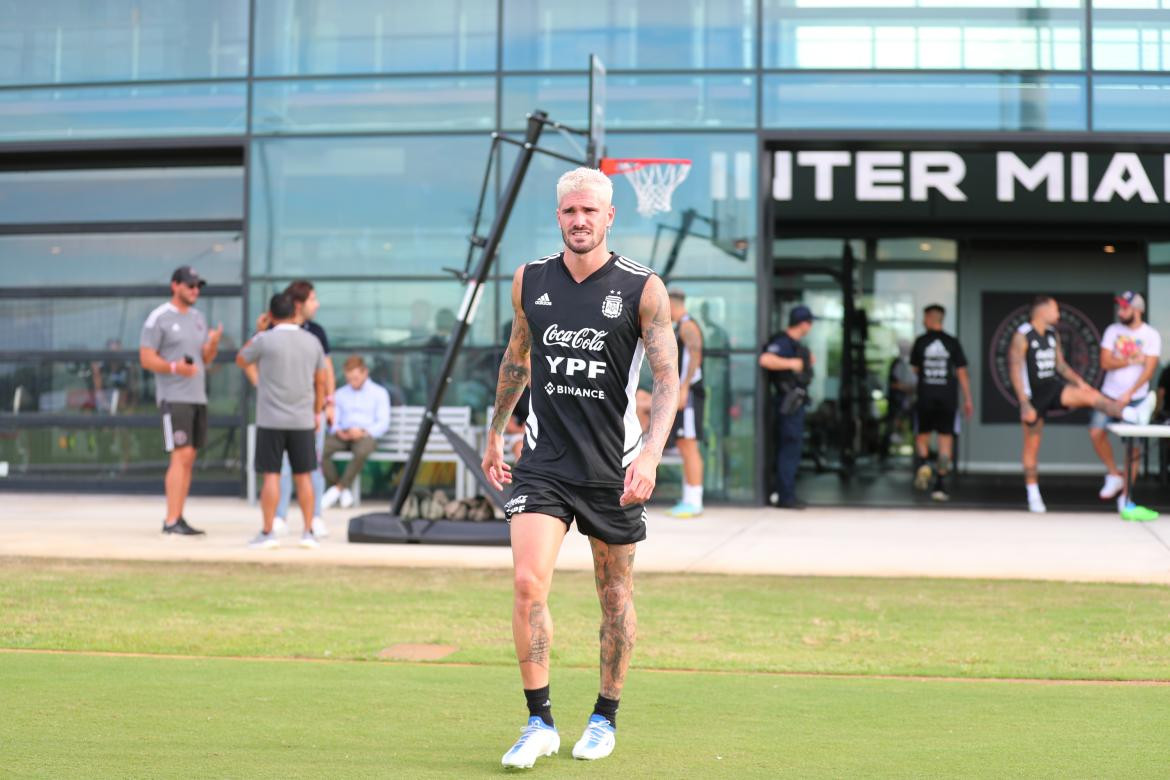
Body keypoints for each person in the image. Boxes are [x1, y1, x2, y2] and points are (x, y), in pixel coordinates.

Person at [482, 166, 678, 768]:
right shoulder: (530, 279)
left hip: (613, 470)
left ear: (610, 216)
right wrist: (495, 432)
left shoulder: (644, 288)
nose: (579, 220)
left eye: (590, 211)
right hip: (543, 463)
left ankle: (604, 716)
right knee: (525, 584)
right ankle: (538, 720)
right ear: (558, 215)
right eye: (570, 211)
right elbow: (518, 356)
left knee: (614, 595)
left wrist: (649, 452)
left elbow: (667, 381)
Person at [1009, 294, 1155, 513]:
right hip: (1032, 397)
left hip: (1052, 388)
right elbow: (1014, 369)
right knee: (1032, 446)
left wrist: (1081, 383)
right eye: (1055, 309)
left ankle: (1131, 414)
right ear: (1043, 310)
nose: (1058, 314)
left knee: (1089, 396)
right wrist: (1023, 403)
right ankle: (1033, 495)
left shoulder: (1051, 334)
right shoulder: (1022, 335)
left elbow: (1061, 365)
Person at [236, 293, 328, 549]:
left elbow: (241, 358)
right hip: (303, 419)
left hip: (271, 420)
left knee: (271, 476)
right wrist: (317, 411)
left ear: (271, 315)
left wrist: (259, 330)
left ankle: (268, 532)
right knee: (304, 476)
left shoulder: (265, 340)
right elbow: (320, 380)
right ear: (295, 312)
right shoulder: (312, 341)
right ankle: (308, 532)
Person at [138, 265, 223, 536]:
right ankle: (171, 520)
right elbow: (146, 358)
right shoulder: (159, 318)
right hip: (174, 397)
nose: (195, 290)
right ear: (175, 285)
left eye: (198, 286)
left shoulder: (198, 317)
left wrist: (211, 346)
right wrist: (175, 368)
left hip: (198, 396)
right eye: (190, 285)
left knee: (190, 457)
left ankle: (179, 516)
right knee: (181, 454)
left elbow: (205, 360)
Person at [265, 281, 335, 538]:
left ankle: (315, 516)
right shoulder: (273, 331)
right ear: (298, 304)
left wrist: (329, 403)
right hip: (279, 411)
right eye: (312, 299)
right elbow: (251, 358)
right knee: (281, 467)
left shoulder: (316, 332)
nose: (316, 304)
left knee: (311, 466)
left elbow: (326, 371)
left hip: (309, 411)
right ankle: (279, 516)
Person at [1088, 291, 1161, 519]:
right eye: (1120, 307)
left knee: (1134, 449)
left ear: (1137, 309)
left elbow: (1149, 369)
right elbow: (1104, 362)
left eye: (1125, 308)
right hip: (1109, 396)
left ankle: (1126, 497)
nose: (1121, 312)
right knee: (1096, 433)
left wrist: (1129, 393)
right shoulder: (1113, 330)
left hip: (1137, 398)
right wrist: (1130, 360)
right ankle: (1114, 474)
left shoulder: (1151, 335)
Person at [909, 304, 974, 502]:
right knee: (945, 442)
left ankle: (924, 463)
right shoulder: (952, 342)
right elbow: (962, 373)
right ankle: (940, 485)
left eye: (924, 318)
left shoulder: (920, 342)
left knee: (922, 437)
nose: (922, 322)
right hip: (948, 398)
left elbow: (914, 370)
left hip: (926, 397)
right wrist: (968, 399)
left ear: (929, 318)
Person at [760, 306, 815, 509]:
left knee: (792, 449)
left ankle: (786, 493)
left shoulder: (796, 344)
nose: (810, 327)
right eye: (809, 323)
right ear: (803, 324)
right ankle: (785, 497)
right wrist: (793, 363)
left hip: (795, 403)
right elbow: (765, 359)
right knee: (789, 449)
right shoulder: (782, 341)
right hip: (787, 404)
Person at [321, 355, 391, 509]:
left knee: (361, 451)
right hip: (343, 435)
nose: (353, 382)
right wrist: (338, 430)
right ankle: (342, 489)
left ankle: (337, 490)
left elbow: (383, 423)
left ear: (365, 373)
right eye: (349, 379)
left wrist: (363, 432)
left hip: (366, 435)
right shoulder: (340, 393)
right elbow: (334, 420)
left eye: (356, 378)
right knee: (320, 450)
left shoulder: (379, 393)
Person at [666, 288, 705, 518]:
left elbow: (695, 358)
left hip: (689, 394)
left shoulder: (689, 326)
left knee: (689, 446)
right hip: (683, 391)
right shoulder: (680, 326)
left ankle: (694, 501)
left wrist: (684, 388)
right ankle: (689, 497)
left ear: (673, 304)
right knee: (683, 444)